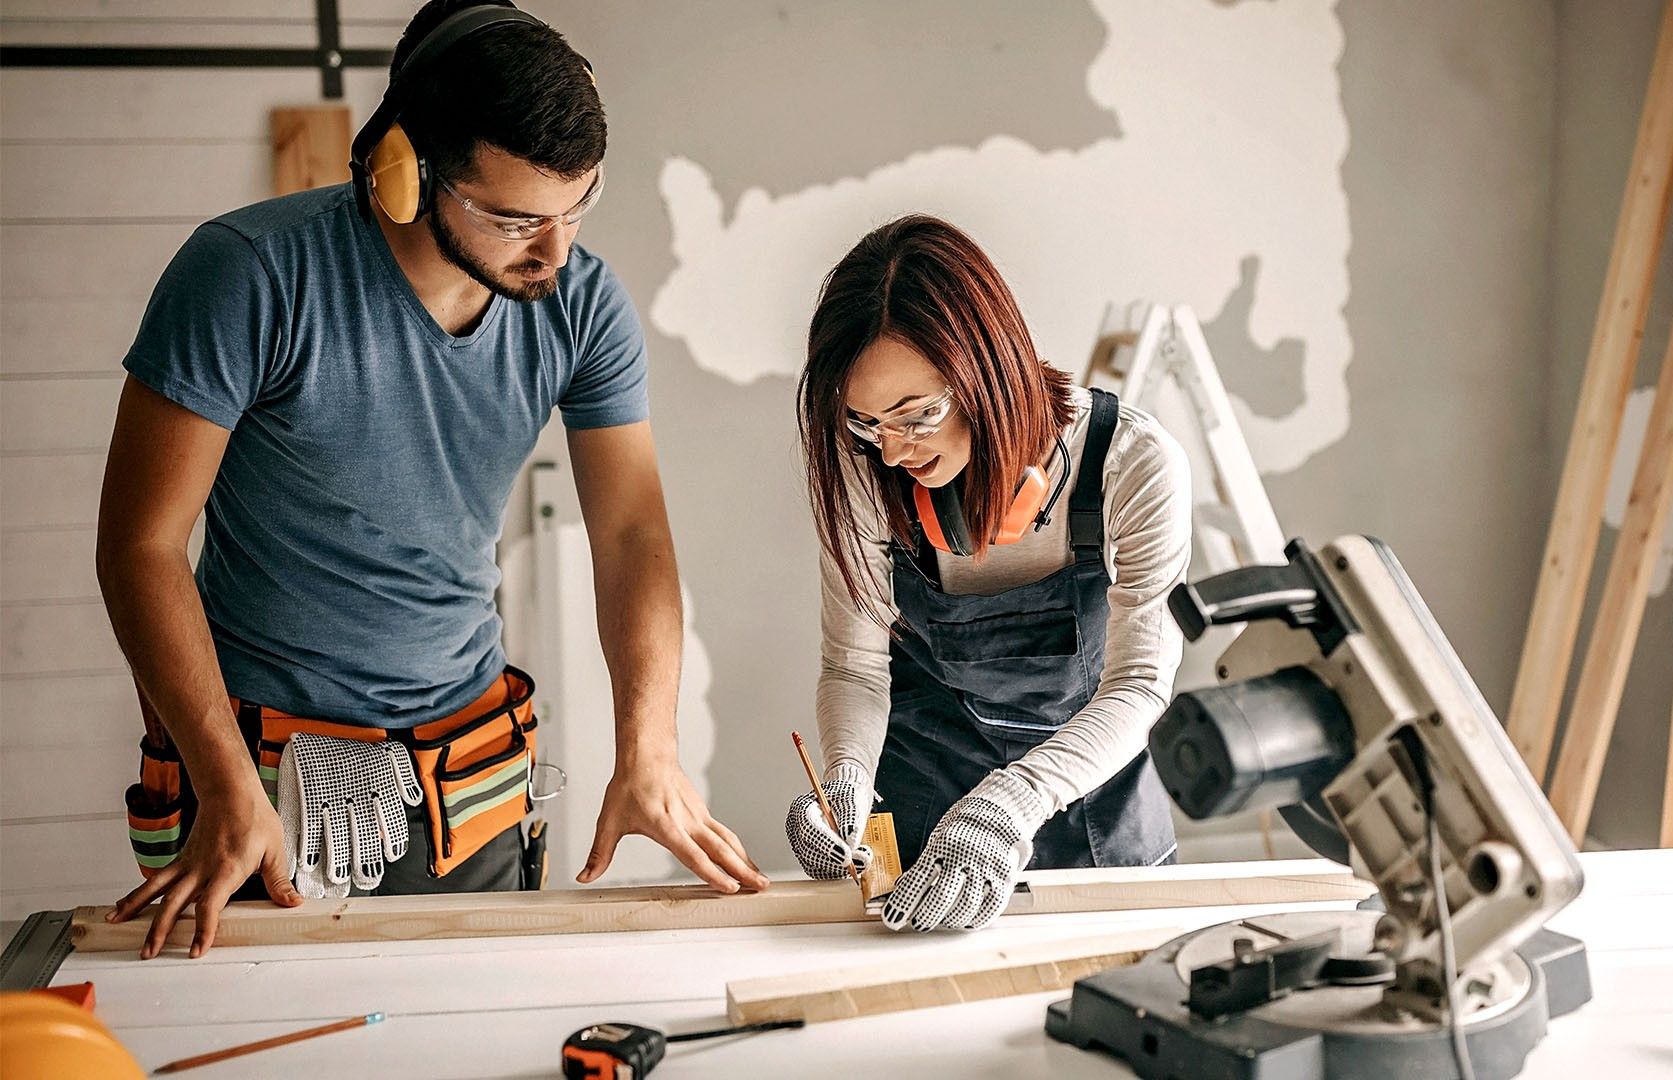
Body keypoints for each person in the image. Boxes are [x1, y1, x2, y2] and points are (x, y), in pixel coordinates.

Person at [96, 0, 764, 961]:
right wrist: (223, 778)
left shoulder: (582, 305)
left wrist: (649, 749)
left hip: (467, 773)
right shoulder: (249, 276)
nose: (555, 251)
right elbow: (141, 545)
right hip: (255, 776)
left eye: (578, 208)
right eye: (516, 219)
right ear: (403, 172)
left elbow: (631, 538)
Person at [786, 215, 1193, 932]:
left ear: (988, 369)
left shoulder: (1133, 465)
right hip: (924, 797)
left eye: (916, 416)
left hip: (1089, 800)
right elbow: (854, 665)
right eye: (866, 423)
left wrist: (1010, 804)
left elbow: (1139, 685)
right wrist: (845, 778)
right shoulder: (866, 467)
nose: (891, 453)